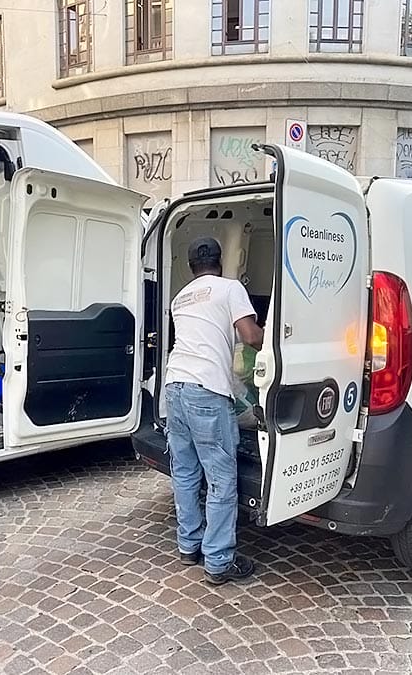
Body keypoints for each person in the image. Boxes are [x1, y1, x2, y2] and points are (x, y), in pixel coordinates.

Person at [165, 236, 264, 585]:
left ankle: (188, 546)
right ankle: (219, 560)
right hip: (206, 390)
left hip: (174, 386)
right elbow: (250, 336)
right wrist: (283, 340)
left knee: (186, 472)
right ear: (220, 263)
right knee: (221, 480)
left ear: (191, 266)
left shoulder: (181, 297)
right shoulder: (230, 288)